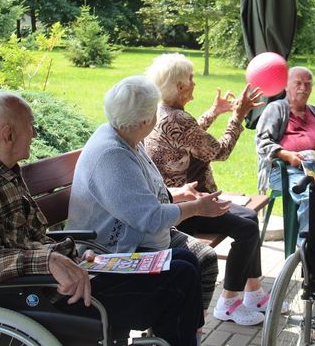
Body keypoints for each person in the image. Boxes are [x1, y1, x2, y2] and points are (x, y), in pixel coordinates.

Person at [0, 91, 204, 346]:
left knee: (182, 259)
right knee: (178, 278)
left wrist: (65, 255)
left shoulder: (3, 170)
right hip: (36, 294)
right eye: (30, 126)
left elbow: (26, 239)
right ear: (8, 134)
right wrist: (49, 261)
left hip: (59, 278)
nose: (34, 134)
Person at [66, 76, 232, 326]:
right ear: (145, 120)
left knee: (197, 259)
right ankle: (178, 335)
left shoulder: (127, 137)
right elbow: (150, 218)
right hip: (107, 254)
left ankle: (184, 333)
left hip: (138, 241)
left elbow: (137, 194)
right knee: (182, 271)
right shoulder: (112, 154)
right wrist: (197, 207)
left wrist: (177, 193)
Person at [144, 53, 271, 326]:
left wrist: (213, 112)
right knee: (247, 227)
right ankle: (228, 301)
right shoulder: (177, 118)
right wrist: (237, 116)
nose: (194, 83)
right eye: (190, 78)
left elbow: (189, 137)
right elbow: (219, 151)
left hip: (177, 199)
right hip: (182, 207)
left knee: (248, 218)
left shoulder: (162, 111)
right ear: (179, 86)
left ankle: (253, 291)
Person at [255, 66, 315, 237]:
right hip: (286, 171)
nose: (303, 88)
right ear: (286, 85)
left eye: (308, 84)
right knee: (310, 197)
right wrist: (287, 155)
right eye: (298, 83)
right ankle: (307, 251)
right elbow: (262, 142)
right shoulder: (276, 109)